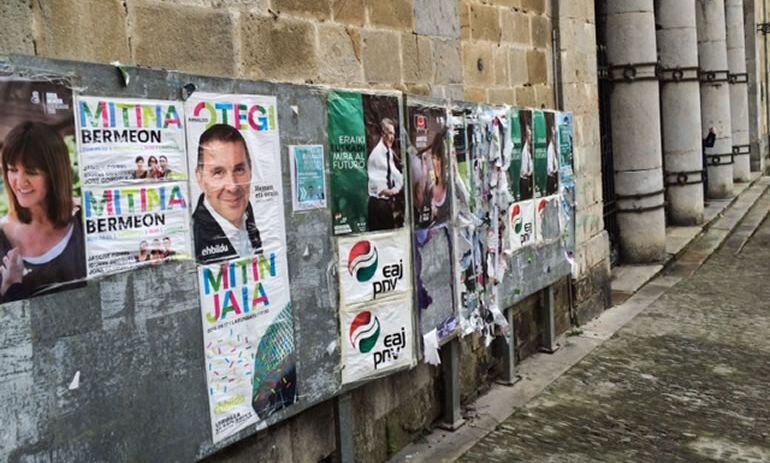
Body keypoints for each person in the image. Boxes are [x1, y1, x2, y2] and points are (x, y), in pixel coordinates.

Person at [0, 122, 86, 301]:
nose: (19, 182)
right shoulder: (2, 237)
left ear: (54, 173)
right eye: (12, 170)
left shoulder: (84, 221)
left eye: (31, 172)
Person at [193, 123, 261, 263]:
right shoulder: (192, 237)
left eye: (239, 169)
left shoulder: (253, 215)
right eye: (218, 172)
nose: (233, 186)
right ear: (200, 178)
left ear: (251, 170)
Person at [367, 118, 403, 231]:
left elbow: (395, 174)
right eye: (390, 133)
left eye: (393, 134)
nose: (392, 137)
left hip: (385, 203)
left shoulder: (388, 152)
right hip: (378, 205)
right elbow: (380, 189)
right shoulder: (377, 155)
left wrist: (399, 185)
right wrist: (392, 191)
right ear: (383, 134)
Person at [429, 129, 450, 225]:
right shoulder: (429, 188)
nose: (436, 164)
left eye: (439, 159)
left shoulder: (450, 186)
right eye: (434, 158)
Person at [519, 123, 534, 200]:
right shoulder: (524, 151)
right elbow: (523, 169)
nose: (530, 138)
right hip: (524, 181)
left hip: (528, 179)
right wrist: (527, 173)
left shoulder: (529, 150)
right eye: (529, 135)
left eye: (531, 135)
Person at [546, 119, 560, 195]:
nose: (556, 138)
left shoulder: (556, 148)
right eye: (554, 136)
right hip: (552, 179)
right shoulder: (550, 149)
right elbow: (550, 169)